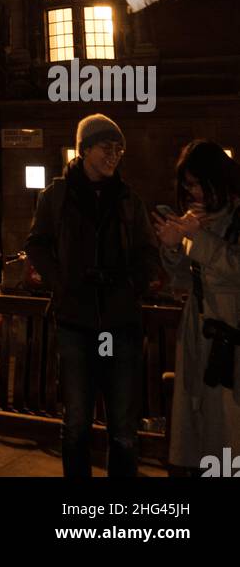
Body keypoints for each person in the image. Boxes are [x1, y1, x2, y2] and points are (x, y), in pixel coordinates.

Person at [25, 113, 160, 478]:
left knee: (124, 430)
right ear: (84, 149)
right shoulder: (56, 196)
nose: (114, 155)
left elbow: (149, 252)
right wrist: (62, 282)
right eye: (106, 147)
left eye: (119, 149)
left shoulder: (129, 199)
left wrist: (132, 284)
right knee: (77, 424)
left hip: (121, 322)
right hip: (76, 321)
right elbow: (36, 244)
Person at [151, 139, 240, 475]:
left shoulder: (236, 215)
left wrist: (198, 239)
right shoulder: (195, 218)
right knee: (200, 423)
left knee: (228, 426)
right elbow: (184, 281)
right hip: (198, 333)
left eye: (198, 184)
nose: (194, 193)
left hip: (231, 332)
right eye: (188, 185)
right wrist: (173, 247)